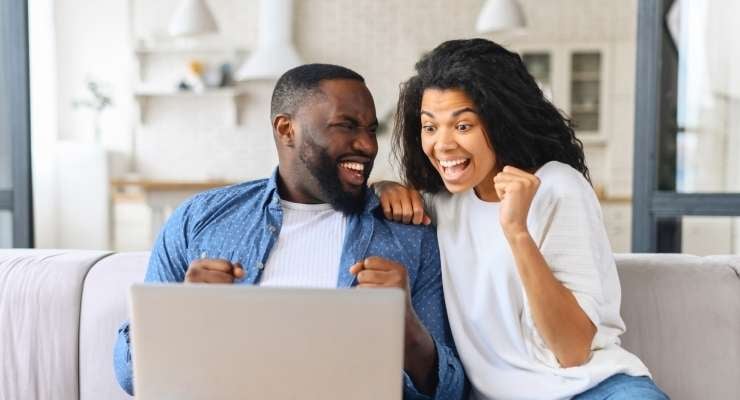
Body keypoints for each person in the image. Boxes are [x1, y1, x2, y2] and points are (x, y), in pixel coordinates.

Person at [113, 63, 466, 399]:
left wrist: (403, 322)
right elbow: (130, 374)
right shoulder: (200, 219)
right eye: (346, 126)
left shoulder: (409, 234)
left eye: (371, 129)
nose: (368, 145)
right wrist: (185, 314)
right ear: (286, 129)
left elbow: (450, 392)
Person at [376, 39, 669, 399]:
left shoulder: (558, 187)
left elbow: (573, 350)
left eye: (463, 126)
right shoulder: (442, 203)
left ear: (501, 122)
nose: (443, 144)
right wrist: (384, 186)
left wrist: (517, 231)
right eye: (430, 127)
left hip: (594, 389)